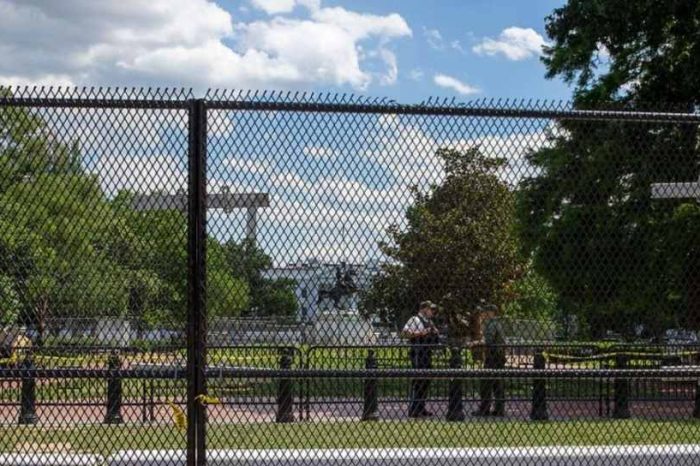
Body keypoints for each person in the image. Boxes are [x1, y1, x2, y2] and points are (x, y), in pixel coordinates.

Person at [401, 300, 439, 418]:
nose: (432, 312)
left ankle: (421, 407)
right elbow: (404, 333)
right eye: (430, 309)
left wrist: (435, 332)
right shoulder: (415, 319)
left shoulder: (429, 322)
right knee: (418, 381)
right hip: (418, 353)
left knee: (425, 381)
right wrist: (421, 333)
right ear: (424, 309)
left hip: (427, 353)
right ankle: (414, 409)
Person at [472, 304, 506, 417]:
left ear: (492, 313)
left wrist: (475, 343)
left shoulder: (492, 324)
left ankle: (484, 409)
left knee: (486, 383)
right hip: (498, 357)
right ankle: (499, 409)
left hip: (493, 357)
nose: (484, 314)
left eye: (486, 312)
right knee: (497, 383)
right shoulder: (496, 323)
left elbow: (488, 341)